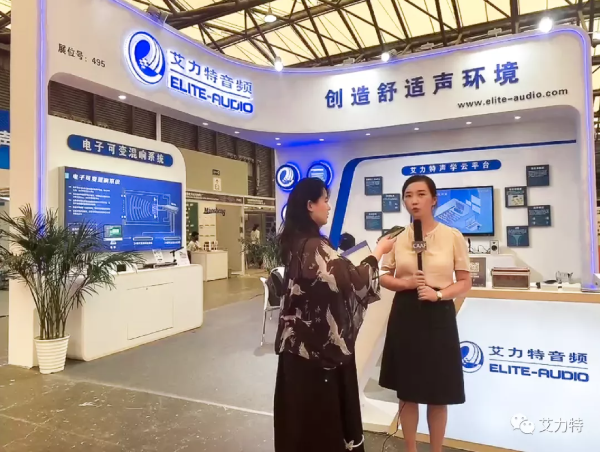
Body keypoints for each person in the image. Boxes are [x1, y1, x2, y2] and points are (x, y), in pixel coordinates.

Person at [273, 177, 396, 452]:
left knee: (299, 426)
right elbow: (353, 282)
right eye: (325, 200)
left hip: (295, 352)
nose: (328, 207)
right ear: (310, 205)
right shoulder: (315, 247)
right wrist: (379, 251)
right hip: (317, 356)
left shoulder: (295, 242)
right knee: (323, 427)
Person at [378, 175, 472, 452]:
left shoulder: (452, 236)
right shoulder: (397, 236)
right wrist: (406, 283)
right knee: (408, 391)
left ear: (434, 199)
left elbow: (465, 282)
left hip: (438, 314)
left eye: (420, 194)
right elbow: (383, 275)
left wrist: (439, 294)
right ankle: (410, 448)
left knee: (438, 391)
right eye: (408, 195)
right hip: (406, 313)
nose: (414, 201)